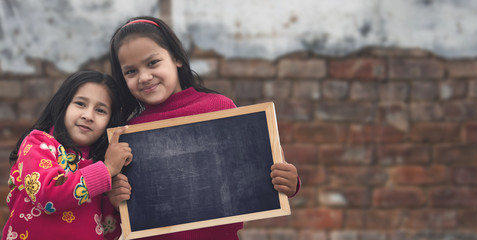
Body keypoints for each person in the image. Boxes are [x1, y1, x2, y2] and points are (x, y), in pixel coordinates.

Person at [108, 16, 301, 240]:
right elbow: (119, 213)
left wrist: (289, 181)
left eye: (153, 63)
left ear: (177, 59)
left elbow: (258, 173)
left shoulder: (219, 108)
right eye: (131, 71)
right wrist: (114, 197)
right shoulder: (128, 133)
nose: (144, 77)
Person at [2, 70, 133, 240]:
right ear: (63, 105)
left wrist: (114, 205)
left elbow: (108, 233)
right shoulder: (38, 144)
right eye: (80, 103)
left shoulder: (101, 163)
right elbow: (49, 195)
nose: (88, 116)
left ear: (110, 121)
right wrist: (107, 170)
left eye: (100, 110)